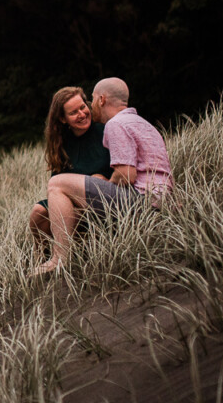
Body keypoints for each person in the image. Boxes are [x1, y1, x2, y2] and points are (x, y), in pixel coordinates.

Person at [35, 77, 172, 275]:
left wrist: (107, 182)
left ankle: (60, 259)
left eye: (90, 100)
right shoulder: (141, 123)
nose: (87, 108)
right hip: (160, 202)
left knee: (56, 183)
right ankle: (62, 253)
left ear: (101, 99)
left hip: (144, 205)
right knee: (40, 209)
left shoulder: (115, 125)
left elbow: (126, 175)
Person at [29, 86, 112, 254]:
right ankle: (43, 254)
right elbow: (56, 186)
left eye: (83, 107)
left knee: (96, 179)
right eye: (73, 112)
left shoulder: (105, 131)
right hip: (72, 204)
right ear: (63, 119)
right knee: (38, 212)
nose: (82, 114)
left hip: (104, 201)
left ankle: (83, 247)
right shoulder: (61, 143)